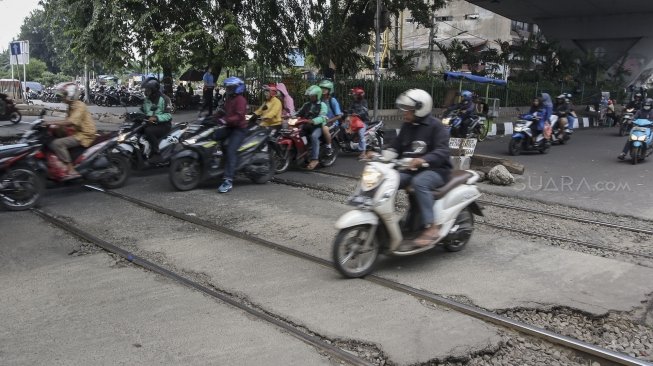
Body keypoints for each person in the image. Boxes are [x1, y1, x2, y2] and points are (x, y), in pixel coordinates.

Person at [387, 89, 452, 250]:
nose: (404, 113)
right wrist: (379, 154)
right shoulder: (407, 126)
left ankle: (431, 227)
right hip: (411, 169)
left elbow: (443, 151)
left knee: (419, 183)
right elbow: (395, 146)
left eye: (408, 110)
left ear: (420, 109)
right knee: (389, 179)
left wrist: (423, 159)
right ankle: (386, 220)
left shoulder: (436, 127)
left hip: (437, 171)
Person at [45, 82, 97, 180]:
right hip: (77, 132)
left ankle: (71, 170)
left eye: (63, 95)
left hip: (85, 135)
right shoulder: (71, 106)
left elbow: (71, 121)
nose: (61, 98)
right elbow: (66, 124)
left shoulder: (79, 106)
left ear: (70, 94)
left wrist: (50, 122)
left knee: (57, 144)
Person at [214, 77, 248, 193]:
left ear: (237, 88)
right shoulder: (229, 99)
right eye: (227, 87)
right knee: (214, 136)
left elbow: (238, 117)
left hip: (239, 129)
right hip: (230, 127)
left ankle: (228, 180)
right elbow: (223, 111)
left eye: (230, 87)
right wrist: (212, 117)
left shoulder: (241, 100)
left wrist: (225, 120)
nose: (228, 89)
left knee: (231, 150)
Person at [295, 85, 328, 170]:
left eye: (313, 96)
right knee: (297, 135)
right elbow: (298, 112)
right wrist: (290, 116)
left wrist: (313, 121)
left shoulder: (322, 105)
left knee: (314, 136)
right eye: (310, 96)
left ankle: (315, 159)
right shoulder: (307, 104)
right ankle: (302, 153)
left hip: (318, 127)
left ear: (318, 95)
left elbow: (323, 117)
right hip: (306, 126)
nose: (311, 97)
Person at [140, 78, 173, 161]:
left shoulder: (165, 99)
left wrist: (156, 118)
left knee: (148, 131)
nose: (145, 92)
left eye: (147, 90)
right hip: (150, 123)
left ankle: (156, 152)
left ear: (154, 90)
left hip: (163, 125)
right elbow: (143, 110)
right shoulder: (147, 100)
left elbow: (168, 115)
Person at [344, 87, 370, 159]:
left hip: (363, 121)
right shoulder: (353, 102)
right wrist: (347, 113)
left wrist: (358, 114)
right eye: (354, 95)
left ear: (359, 96)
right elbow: (349, 109)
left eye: (355, 95)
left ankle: (363, 152)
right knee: (344, 126)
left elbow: (364, 111)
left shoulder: (364, 102)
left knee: (361, 133)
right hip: (354, 120)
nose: (354, 96)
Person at [318, 80, 340, 156]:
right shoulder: (320, 100)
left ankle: (329, 147)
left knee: (324, 128)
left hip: (332, 122)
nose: (323, 90)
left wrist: (329, 120)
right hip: (320, 121)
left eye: (325, 88)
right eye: (321, 88)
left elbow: (339, 116)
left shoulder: (332, 101)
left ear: (329, 90)